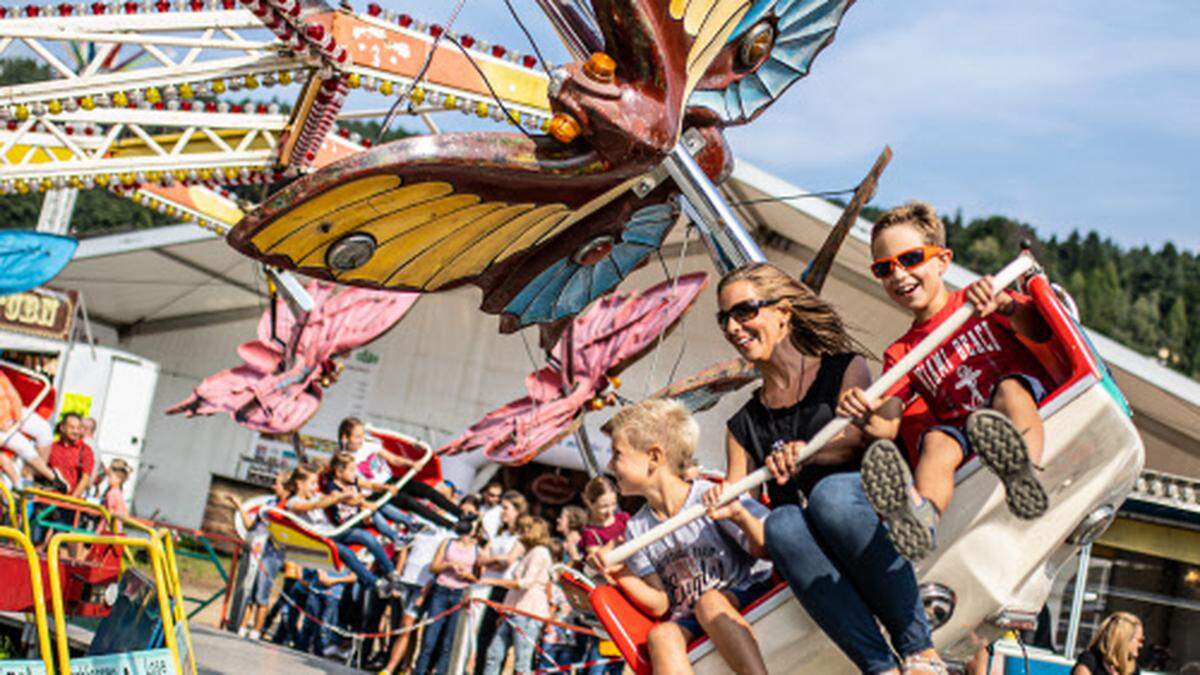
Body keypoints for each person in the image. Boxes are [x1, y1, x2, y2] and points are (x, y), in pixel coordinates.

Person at [716, 262, 943, 674]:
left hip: (863, 515)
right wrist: (733, 511)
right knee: (782, 522)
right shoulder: (742, 427)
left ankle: (920, 650)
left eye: (745, 311)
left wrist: (806, 454)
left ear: (783, 312)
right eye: (724, 318)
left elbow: (856, 440)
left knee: (831, 496)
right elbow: (758, 543)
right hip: (808, 551)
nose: (733, 327)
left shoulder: (843, 368)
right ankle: (882, 669)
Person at [837, 202, 1052, 561]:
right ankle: (923, 517)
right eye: (884, 268)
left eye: (911, 259)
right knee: (936, 441)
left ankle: (1024, 469)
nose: (898, 275)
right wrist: (859, 409)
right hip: (969, 431)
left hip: (1015, 405)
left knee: (1008, 391)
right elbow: (885, 427)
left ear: (943, 260)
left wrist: (1006, 305)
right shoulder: (901, 352)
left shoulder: (979, 298)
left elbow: (1041, 329)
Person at [591, 399, 772, 675]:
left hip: (742, 593)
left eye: (617, 454)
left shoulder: (707, 496)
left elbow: (764, 546)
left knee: (709, 601)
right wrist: (620, 572)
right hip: (691, 616)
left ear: (654, 457)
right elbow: (660, 603)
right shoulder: (637, 529)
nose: (610, 465)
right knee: (661, 636)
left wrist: (739, 515)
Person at [281, 464, 394, 599]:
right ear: (300, 484)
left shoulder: (316, 495)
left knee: (365, 537)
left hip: (333, 532)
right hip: (320, 540)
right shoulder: (293, 502)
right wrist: (338, 497)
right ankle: (376, 583)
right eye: (312, 484)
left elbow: (330, 498)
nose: (315, 487)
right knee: (347, 553)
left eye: (315, 483)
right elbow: (313, 506)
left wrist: (359, 501)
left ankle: (391, 571)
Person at [338, 417, 468, 529]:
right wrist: (384, 489)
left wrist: (411, 464)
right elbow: (360, 484)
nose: (361, 440)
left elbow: (393, 459)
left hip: (389, 480)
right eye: (357, 437)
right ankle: (451, 525)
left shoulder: (368, 444)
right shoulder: (344, 459)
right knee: (411, 503)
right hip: (376, 491)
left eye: (362, 435)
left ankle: (460, 513)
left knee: (426, 490)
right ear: (345, 438)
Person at [481, 515, 555, 675]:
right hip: (514, 610)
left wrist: (493, 582)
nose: (520, 533)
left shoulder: (540, 553)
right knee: (494, 654)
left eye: (524, 529)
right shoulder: (530, 552)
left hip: (528, 612)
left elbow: (525, 583)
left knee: (522, 662)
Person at [413, 518, 481, 675]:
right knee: (430, 638)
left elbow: (478, 579)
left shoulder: (477, 550)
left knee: (449, 642)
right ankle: (420, 671)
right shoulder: (448, 543)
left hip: (460, 594)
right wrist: (448, 565)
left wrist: (467, 575)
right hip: (441, 592)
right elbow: (433, 567)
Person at [380, 523, 450, 675]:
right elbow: (404, 548)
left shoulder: (447, 531)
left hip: (423, 584)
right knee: (405, 627)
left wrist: (429, 586)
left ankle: (389, 669)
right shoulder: (419, 524)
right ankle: (406, 667)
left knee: (407, 623)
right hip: (406, 580)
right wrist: (397, 577)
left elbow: (442, 560)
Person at [472, 490, 528, 674]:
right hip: (487, 586)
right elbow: (481, 558)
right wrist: (494, 560)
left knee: (497, 641)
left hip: (504, 590)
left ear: (517, 510)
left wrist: (493, 560)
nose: (502, 512)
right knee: (482, 637)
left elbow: (508, 561)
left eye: (506, 508)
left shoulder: (522, 535)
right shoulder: (500, 534)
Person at [0, 372, 66, 490]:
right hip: (2, 427)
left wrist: (18, 419)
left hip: (12, 413)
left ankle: (36, 474)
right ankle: (51, 477)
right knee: (24, 447)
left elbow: (13, 395)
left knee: (44, 430)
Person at [1072, 612, 1143, 675]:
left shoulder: (1133, 669)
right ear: (1123, 640)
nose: (1141, 645)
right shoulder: (1090, 660)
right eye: (1139, 640)